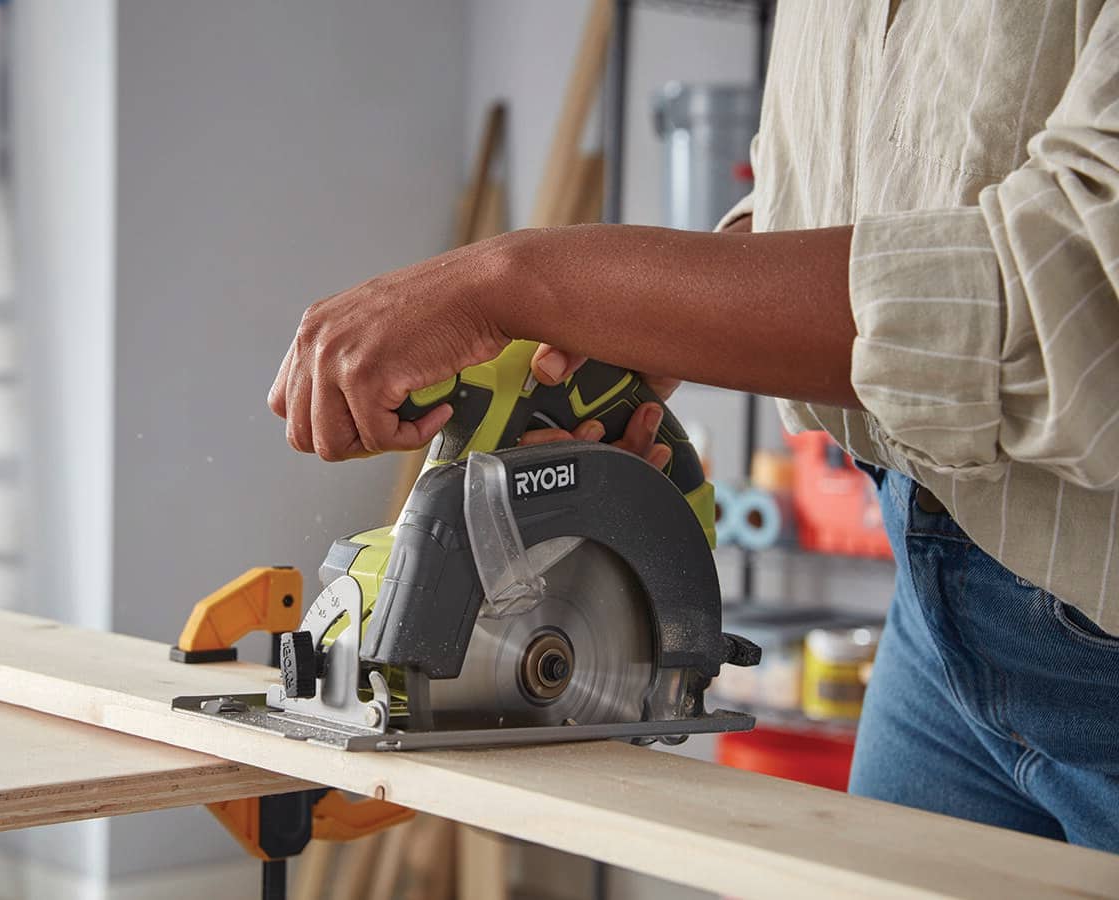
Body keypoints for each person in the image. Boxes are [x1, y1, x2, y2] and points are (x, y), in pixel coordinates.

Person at [266, 2, 1119, 851]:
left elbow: (1073, 282)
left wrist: (518, 282)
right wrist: (644, 315)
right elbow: (848, 190)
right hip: (932, 609)